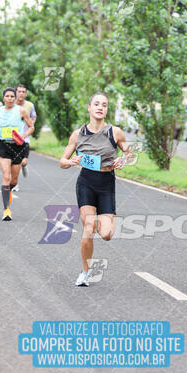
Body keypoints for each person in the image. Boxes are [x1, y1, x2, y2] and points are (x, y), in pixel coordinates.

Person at [60, 92, 134, 287]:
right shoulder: (78, 134)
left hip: (106, 183)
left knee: (107, 234)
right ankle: (85, 272)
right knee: (89, 228)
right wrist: (71, 161)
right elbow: (62, 161)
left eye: (104, 105)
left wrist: (123, 160)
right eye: (97, 104)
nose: (100, 107)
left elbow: (131, 154)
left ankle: (87, 266)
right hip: (86, 182)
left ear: (107, 109)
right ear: (89, 108)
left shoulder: (115, 132)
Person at [0, 87, 34, 220]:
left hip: (18, 146)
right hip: (2, 146)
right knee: (6, 177)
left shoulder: (21, 111)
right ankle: (6, 210)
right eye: (7, 96)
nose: (9, 98)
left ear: (15, 98)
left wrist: (23, 136)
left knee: (13, 180)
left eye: (12, 96)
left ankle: (9, 191)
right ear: (3, 98)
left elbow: (31, 127)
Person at [13, 83, 37, 189]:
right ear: (15, 92)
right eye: (19, 91)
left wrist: (30, 124)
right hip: (12, 138)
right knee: (14, 161)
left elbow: (33, 117)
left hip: (25, 137)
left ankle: (24, 166)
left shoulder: (29, 105)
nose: (21, 94)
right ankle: (15, 184)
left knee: (23, 162)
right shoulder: (10, 104)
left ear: (26, 94)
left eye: (23, 92)